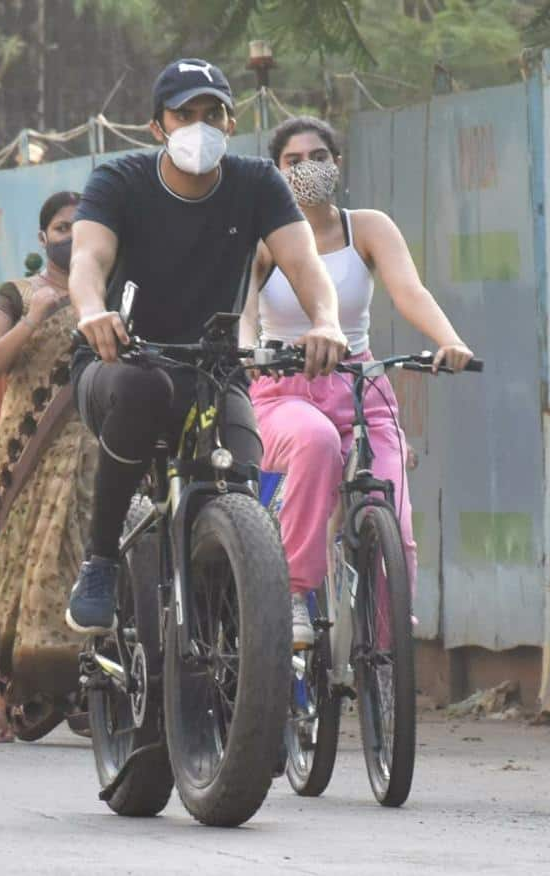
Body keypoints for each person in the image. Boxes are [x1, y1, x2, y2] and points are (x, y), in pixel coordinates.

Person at [65, 59, 348, 635]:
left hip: (215, 371)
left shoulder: (256, 184)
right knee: (144, 390)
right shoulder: (119, 181)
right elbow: (88, 258)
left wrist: (327, 320)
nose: (201, 125)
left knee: (241, 486)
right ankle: (100, 561)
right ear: (157, 127)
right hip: (120, 362)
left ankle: (229, 651)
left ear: (231, 119)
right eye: (184, 114)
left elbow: (304, 264)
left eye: (213, 113)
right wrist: (92, 311)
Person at [240, 116, 475, 648]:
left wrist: (449, 341)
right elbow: (244, 310)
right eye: (293, 161)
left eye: (318, 157)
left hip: (360, 385)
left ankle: (390, 649)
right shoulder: (263, 238)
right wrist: (248, 350)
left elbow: (409, 291)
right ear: (276, 172)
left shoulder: (366, 227)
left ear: (337, 164)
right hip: (283, 387)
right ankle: (297, 593)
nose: (308, 169)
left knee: (392, 509)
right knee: (314, 442)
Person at [0, 191, 97, 743]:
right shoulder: (16, 295)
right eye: (62, 227)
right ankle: (7, 693)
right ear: (43, 237)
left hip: (98, 450)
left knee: (88, 564)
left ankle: (93, 689)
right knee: (24, 568)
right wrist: (34, 320)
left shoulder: (108, 295)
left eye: (82, 227)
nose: (71, 237)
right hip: (28, 450)